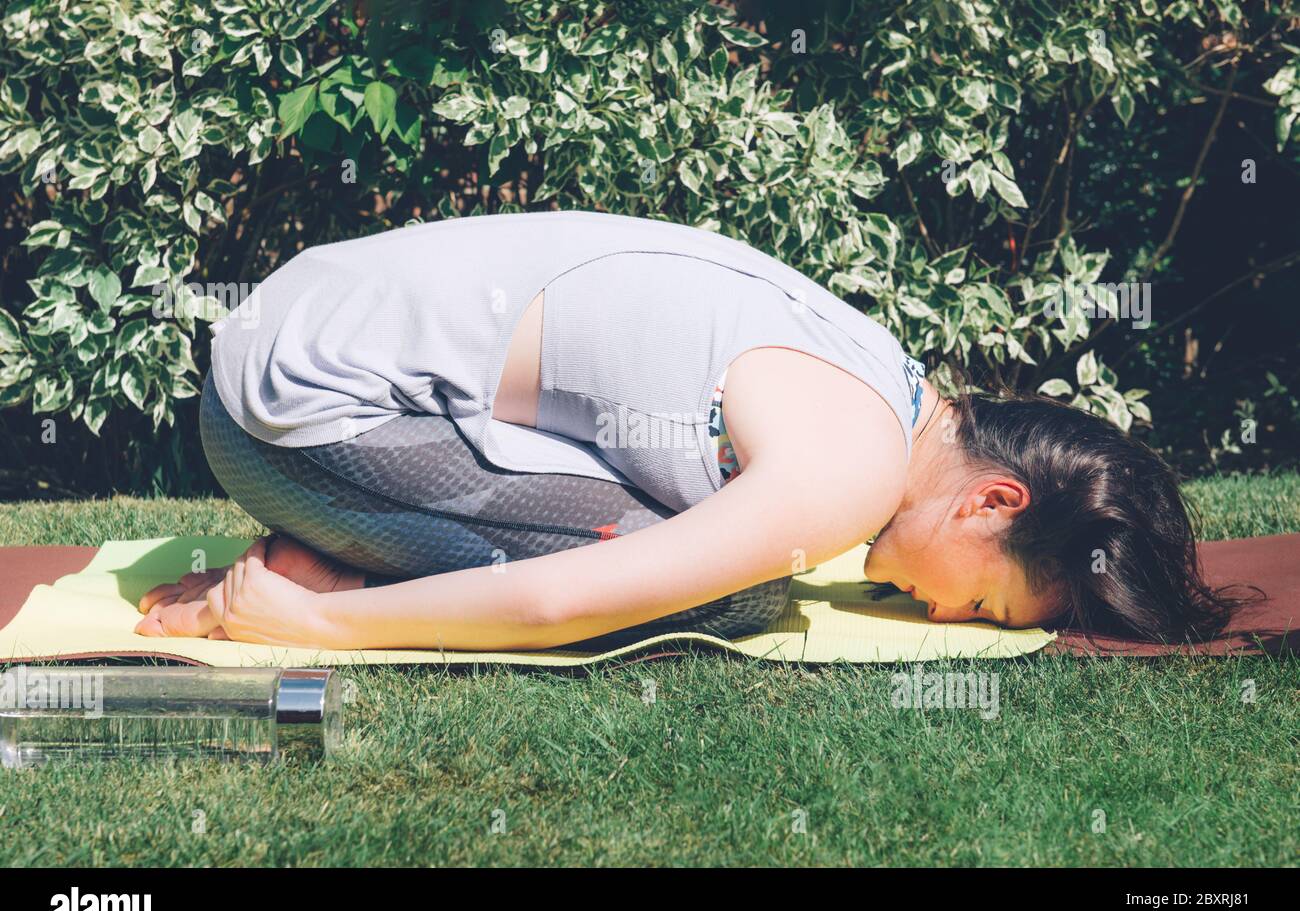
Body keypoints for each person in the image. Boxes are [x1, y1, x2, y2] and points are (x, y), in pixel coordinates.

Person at [135, 211, 1235, 650]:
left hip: (294, 337)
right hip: (296, 416)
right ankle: (318, 584)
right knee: (736, 594)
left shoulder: (882, 377)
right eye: (986, 602)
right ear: (994, 501)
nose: (946, 615)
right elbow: (558, 600)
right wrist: (309, 631)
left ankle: (348, 556)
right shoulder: (847, 470)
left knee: (680, 551)